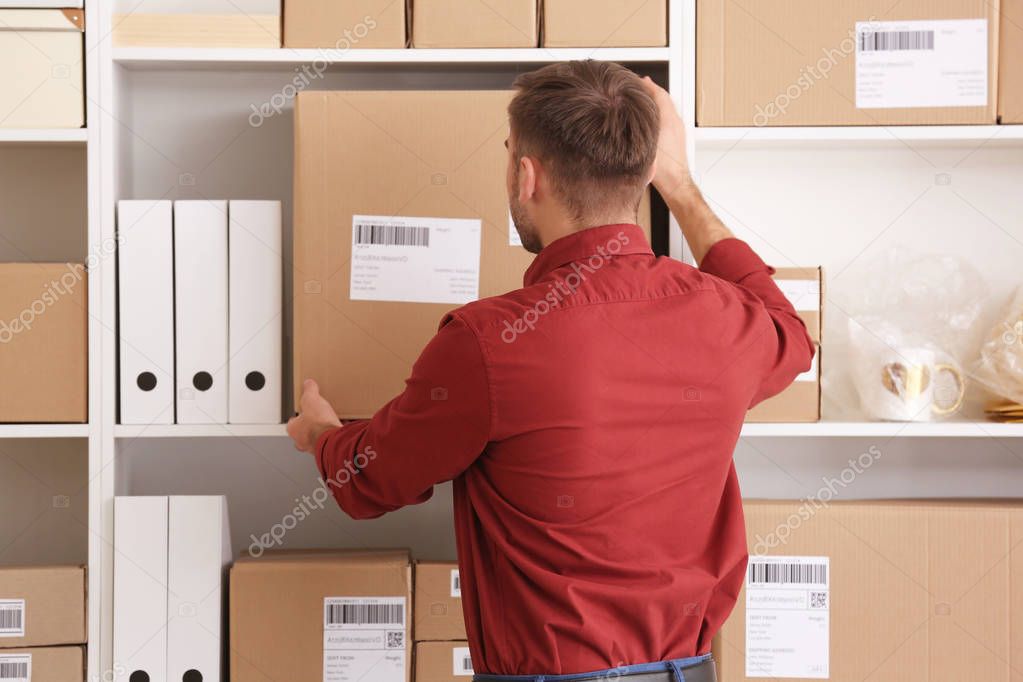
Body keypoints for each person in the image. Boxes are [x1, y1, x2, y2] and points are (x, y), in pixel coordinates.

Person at [288, 60, 814, 682]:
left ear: (525, 174)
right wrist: (680, 185)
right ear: (644, 172)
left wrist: (322, 436)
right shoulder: (730, 319)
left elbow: (368, 482)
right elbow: (795, 335)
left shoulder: (486, 343)